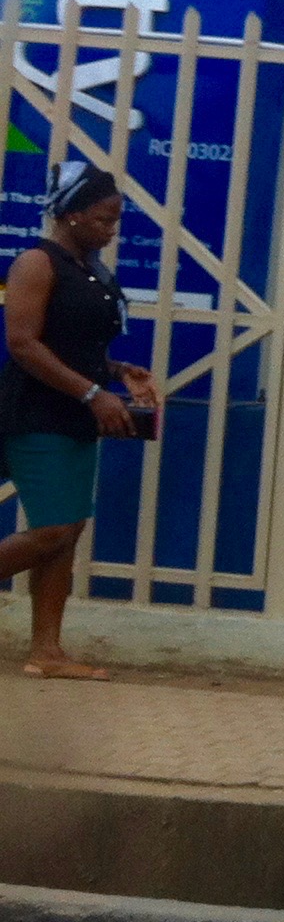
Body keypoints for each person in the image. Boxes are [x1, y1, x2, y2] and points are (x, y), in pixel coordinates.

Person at [0, 169, 157, 680]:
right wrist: (92, 392)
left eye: (116, 219)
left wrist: (115, 372)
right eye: (102, 218)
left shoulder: (90, 269)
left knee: (68, 533)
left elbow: (76, 343)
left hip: (79, 412)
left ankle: (47, 651)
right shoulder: (36, 262)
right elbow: (23, 343)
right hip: (38, 412)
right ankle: (46, 650)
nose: (112, 229)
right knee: (52, 530)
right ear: (70, 212)